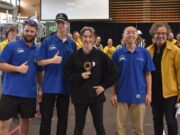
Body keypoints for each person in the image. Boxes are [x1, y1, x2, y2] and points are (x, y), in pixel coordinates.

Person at [64, 26, 118, 135]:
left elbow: (115, 71)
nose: (87, 39)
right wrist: (80, 76)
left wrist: (104, 86)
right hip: (79, 97)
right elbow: (67, 76)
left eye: (90, 36)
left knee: (99, 126)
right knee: (79, 125)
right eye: (85, 36)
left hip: (96, 97)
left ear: (93, 39)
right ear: (81, 37)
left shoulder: (101, 55)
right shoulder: (74, 57)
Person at [0, 20, 43, 135]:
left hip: (28, 94)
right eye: (27, 30)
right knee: (3, 124)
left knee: (25, 122)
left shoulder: (38, 50)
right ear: (22, 31)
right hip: (10, 92)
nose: (29, 33)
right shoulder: (11, 46)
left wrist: (41, 89)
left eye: (32, 31)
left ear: (36, 33)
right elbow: (1, 64)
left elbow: (39, 72)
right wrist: (17, 69)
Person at [37, 13, 76, 135]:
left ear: (67, 25)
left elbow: (74, 65)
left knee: (63, 119)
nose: (60, 25)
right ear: (56, 25)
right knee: (46, 119)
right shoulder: (48, 41)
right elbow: (39, 62)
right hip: (49, 86)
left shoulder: (72, 44)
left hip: (65, 87)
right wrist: (51, 60)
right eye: (58, 22)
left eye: (63, 22)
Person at [111, 26, 155, 135]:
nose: (131, 35)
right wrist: (113, 93)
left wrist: (149, 93)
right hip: (121, 95)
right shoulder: (117, 53)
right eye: (128, 33)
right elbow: (113, 76)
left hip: (139, 94)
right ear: (123, 36)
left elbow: (148, 74)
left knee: (138, 129)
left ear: (137, 36)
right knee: (120, 129)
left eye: (133, 33)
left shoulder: (145, 53)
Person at [147, 22, 180, 135]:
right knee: (157, 120)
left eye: (163, 33)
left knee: (170, 121)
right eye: (157, 33)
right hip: (154, 93)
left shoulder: (175, 50)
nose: (160, 36)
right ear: (153, 35)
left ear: (167, 35)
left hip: (170, 93)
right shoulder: (148, 51)